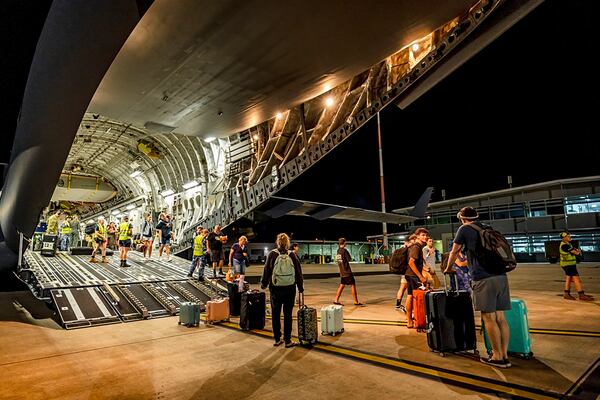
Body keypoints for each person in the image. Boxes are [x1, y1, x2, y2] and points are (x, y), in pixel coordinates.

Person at [446, 206, 511, 368]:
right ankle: (504, 354)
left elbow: (454, 252)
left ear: (462, 218)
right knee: (501, 318)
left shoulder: (464, 229)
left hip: (483, 278)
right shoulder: (486, 227)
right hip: (501, 276)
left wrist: (448, 268)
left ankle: (497, 357)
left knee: (488, 318)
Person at [260, 233, 304, 348]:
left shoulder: (272, 254)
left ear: (277, 242)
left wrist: (264, 284)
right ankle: (288, 340)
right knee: (288, 314)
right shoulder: (292, 255)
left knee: (275, 314)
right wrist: (300, 287)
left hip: (275, 289)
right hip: (289, 289)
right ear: (288, 243)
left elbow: (267, 271)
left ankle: (277, 339)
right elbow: (299, 273)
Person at [404, 228, 429, 329]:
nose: (425, 237)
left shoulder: (417, 247)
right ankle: (412, 320)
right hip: (413, 276)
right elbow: (411, 262)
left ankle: (411, 320)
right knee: (415, 297)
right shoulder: (416, 247)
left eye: (426, 235)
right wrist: (420, 277)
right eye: (423, 235)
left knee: (410, 296)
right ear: (417, 236)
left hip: (410, 275)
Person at [559, 232, 594, 301]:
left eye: (569, 235)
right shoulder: (565, 246)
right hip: (568, 265)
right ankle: (581, 294)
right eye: (567, 236)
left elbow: (575, 251)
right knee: (576, 278)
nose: (569, 237)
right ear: (564, 238)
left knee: (569, 278)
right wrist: (578, 252)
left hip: (569, 264)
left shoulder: (568, 244)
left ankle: (566, 293)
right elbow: (576, 252)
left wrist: (577, 251)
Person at [334, 238, 364, 306]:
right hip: (347, 271)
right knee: (352, 285)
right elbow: (349, 259)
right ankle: (356, 301)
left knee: (342, 285)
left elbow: (338, 261)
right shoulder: (344, 251)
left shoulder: (338, 251)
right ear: (344, 243)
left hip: (342, 271)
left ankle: (336, 300)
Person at [395, 235, 416, 312]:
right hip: (408, 271)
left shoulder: (402, 248)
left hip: (403, 271)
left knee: (402, 288)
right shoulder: (409, 248)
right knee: (409, 291)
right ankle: (410, 308)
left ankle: (398, 304)